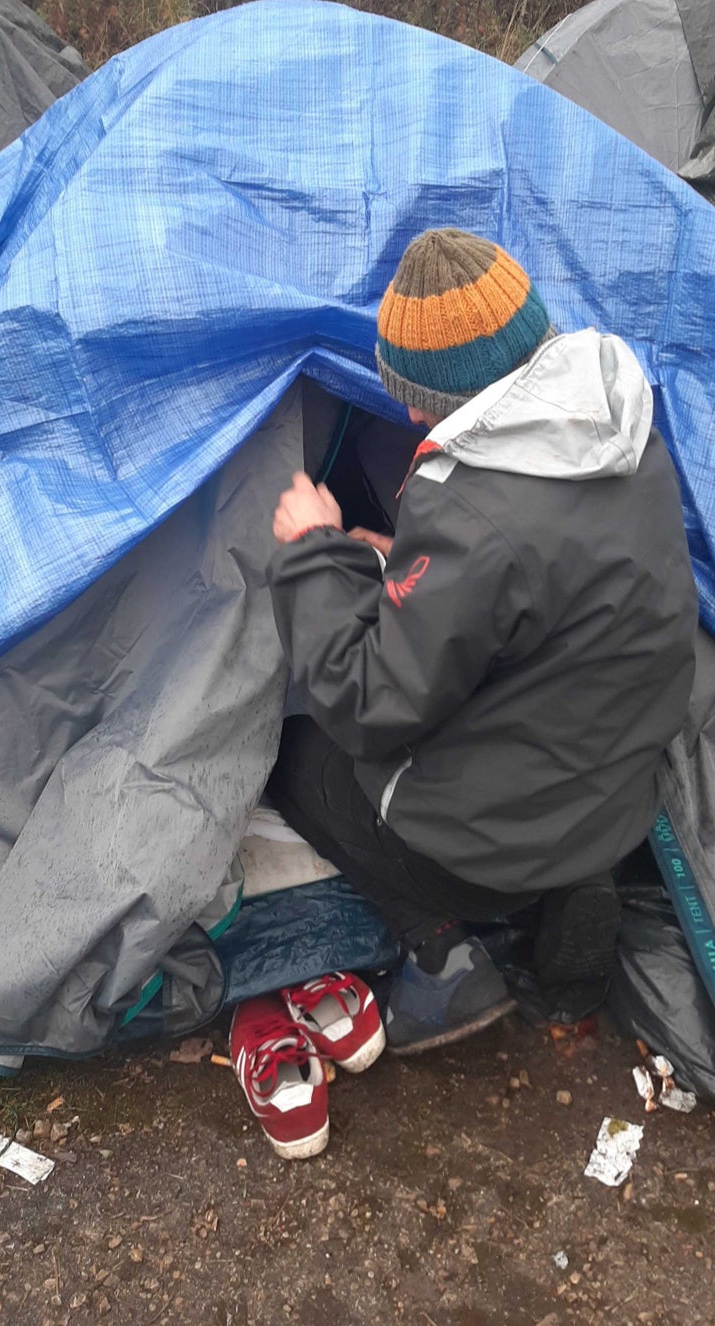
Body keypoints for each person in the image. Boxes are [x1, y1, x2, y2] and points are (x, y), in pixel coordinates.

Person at [262, 228, 695, 1055]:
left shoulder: (473, 507)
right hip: (617, 792)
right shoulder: (621, 431)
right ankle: (577, 892)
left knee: (298, 757)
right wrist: (406, 563)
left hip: (495, 842)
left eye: (421, 399)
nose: (414, 415)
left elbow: (366, 706)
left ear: (465, 392)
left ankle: (441, 955)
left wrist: (311, 551)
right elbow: (537, 590)